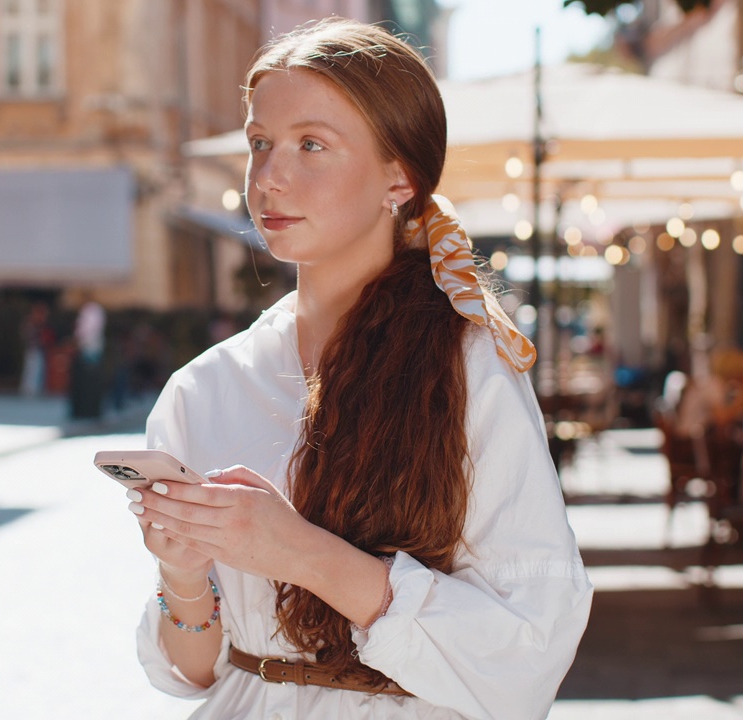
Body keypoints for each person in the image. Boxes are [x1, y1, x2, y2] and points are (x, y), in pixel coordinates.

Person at [127, 19, 591, 719]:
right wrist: (183, 574)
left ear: (398, 177)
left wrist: (302, 554)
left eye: (311, 145)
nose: (270, 176)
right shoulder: (205, 388)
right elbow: (198, 674)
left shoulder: (468, 368)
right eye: (261, 144)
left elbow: (532, 645)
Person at [20, 301, 52, 397]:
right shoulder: (30, 324)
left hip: (37, 350)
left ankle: (34, 390)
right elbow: (31, 338)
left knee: (37, 370)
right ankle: (29, 391)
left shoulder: (37, 325)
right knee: (32, 371)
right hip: (33, 349)